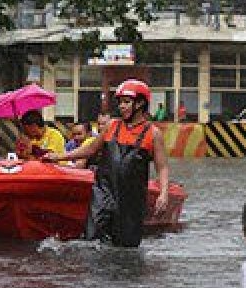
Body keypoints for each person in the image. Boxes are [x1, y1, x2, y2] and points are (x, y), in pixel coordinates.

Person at [43, 79, 169, 247]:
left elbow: (162, 167)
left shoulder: (153, 134)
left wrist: (164, 193)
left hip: (131, 200)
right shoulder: (111, 126)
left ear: (140, 103)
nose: (121, 106)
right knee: (92, 240)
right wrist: (58, 157)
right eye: (120, 102)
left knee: (126, 247)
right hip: (103, 192)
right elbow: (90, 150)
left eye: (127, 102)